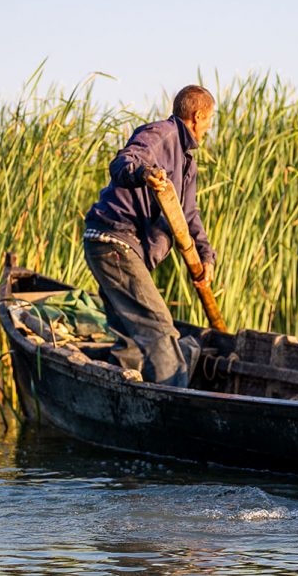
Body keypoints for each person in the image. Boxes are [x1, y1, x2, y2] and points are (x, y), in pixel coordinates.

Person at [83, 85, 217, 386]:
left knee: (129, 337)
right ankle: (176, 405)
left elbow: (189, 213)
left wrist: (207, 255)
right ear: (197, 116)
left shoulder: (186, 161)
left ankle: (119, 398)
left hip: (117, 247)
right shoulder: (162, 133)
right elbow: (124, 161)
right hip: (113, 241)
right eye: (210, 119)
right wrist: (144, 173)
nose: (210, 127)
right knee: (159, 330)